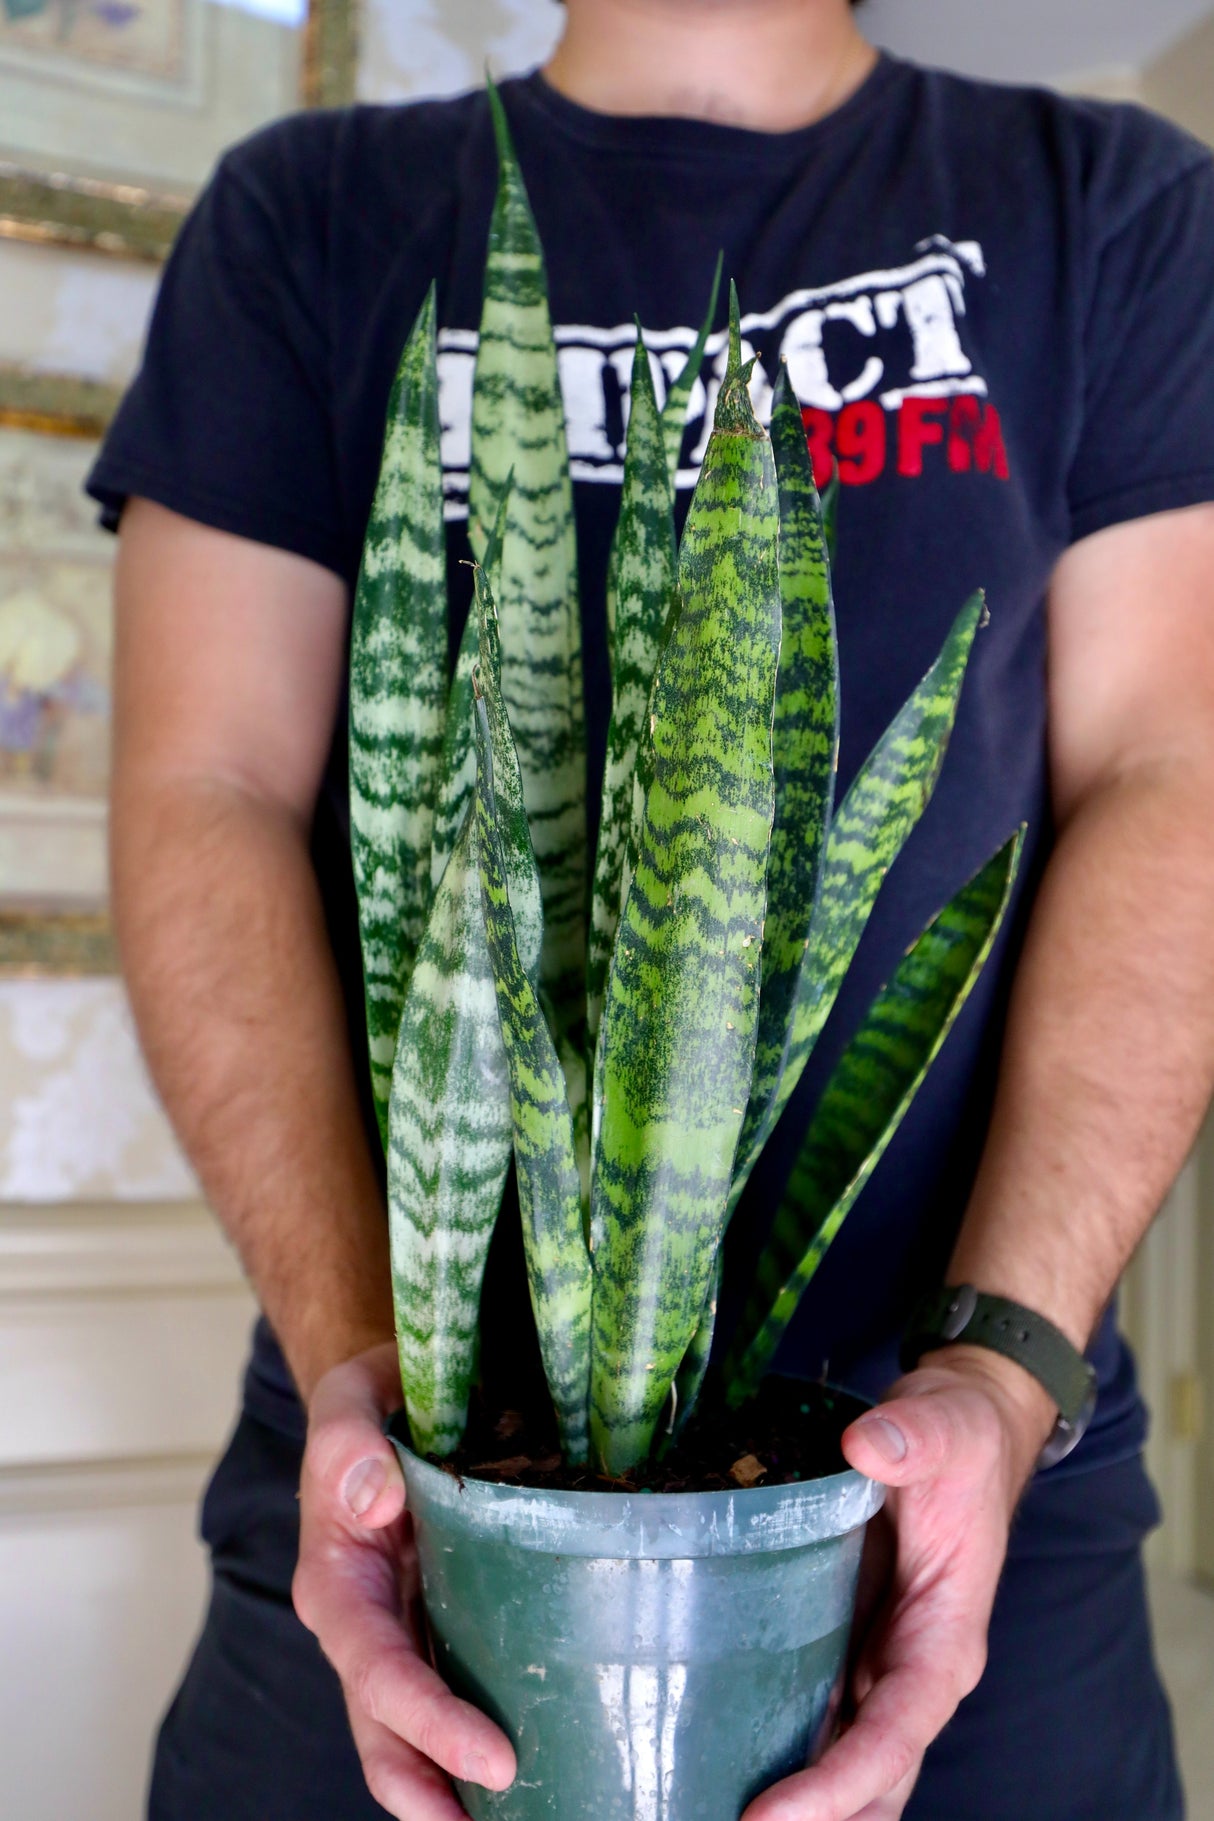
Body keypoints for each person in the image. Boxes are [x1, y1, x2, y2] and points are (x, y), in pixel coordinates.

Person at [89, 1, 1214, 1816]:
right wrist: (358, 1365)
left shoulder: (1113, 202)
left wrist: (1001, 1379)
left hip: (976, 1472)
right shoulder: (307, 206)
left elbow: (1176, 780)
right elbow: (203, 789)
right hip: (400, 1473)